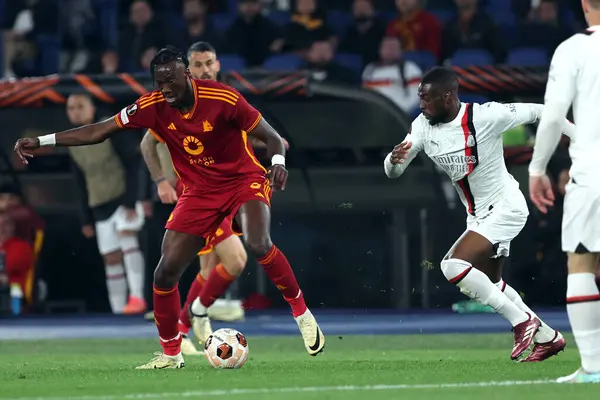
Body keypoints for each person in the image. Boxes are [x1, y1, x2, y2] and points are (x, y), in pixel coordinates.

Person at [14, 45, 325, 369]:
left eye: (171, 81)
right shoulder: (152, 106)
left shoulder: (224, 98)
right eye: (159, 83)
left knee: (257, 243)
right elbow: (98, 130)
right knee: (164, 273)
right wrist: (42, 141)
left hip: (242, 180)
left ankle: (301, 313)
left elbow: (273, 137)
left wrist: (277, 162)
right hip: (199, 193)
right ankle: (172, 353)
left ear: (186, 75)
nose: (166, 89)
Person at [384, 67, 571, 362]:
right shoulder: (421, 125)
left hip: (507, 206)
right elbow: (394, 171)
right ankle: (548, 337)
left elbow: (540, 111)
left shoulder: (485, 116)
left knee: (451, 265)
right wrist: (391, 161)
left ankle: (522, 322)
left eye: (426, 98)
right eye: (420, 97)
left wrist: (584, 144)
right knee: (491, 283)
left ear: (447, 97)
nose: (421, 104)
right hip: (477, 216)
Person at [140, 41, 287, 356]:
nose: (205, 69)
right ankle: (190, 321)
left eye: (209, 63)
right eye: (198, 64)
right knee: (233, 260)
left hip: (226, 190)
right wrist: (161, 181)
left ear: (218, 65)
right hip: (197, 193)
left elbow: (230, 146)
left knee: (219, 265)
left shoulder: (223, 99)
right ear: (188, 70)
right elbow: (147, 143)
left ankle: (189, 324)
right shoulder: (174, 102)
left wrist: (269, 146)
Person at [528, 0, 600, 384]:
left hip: (593, 173)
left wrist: (537, 168)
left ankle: (593, 367)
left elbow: (554, 114)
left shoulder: (574, 48)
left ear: (586, 3)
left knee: (583, 263)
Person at [66, 93, 147, 315]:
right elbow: (79, 182)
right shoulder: (72, 140)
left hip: (123, 196)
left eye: (80, 106)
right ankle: (118, 310)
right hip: (99, 203)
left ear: (92, 108)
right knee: (110, 257)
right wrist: (85, 218)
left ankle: (138, 297)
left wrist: (133, 200)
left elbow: (133, 163)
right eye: (71, 108)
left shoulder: (111, 128)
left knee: (127, 238)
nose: (75, 111)